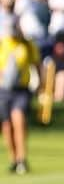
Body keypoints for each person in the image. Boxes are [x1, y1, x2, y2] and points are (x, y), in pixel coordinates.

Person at [0, 17, 40, 175]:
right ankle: (14, 159)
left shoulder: (27, 45)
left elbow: (36, 65)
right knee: (6, 126)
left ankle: (22, 159)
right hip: (3, 90)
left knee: (18, 119)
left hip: (21, 89)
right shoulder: (3, 43)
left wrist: (42, 87)